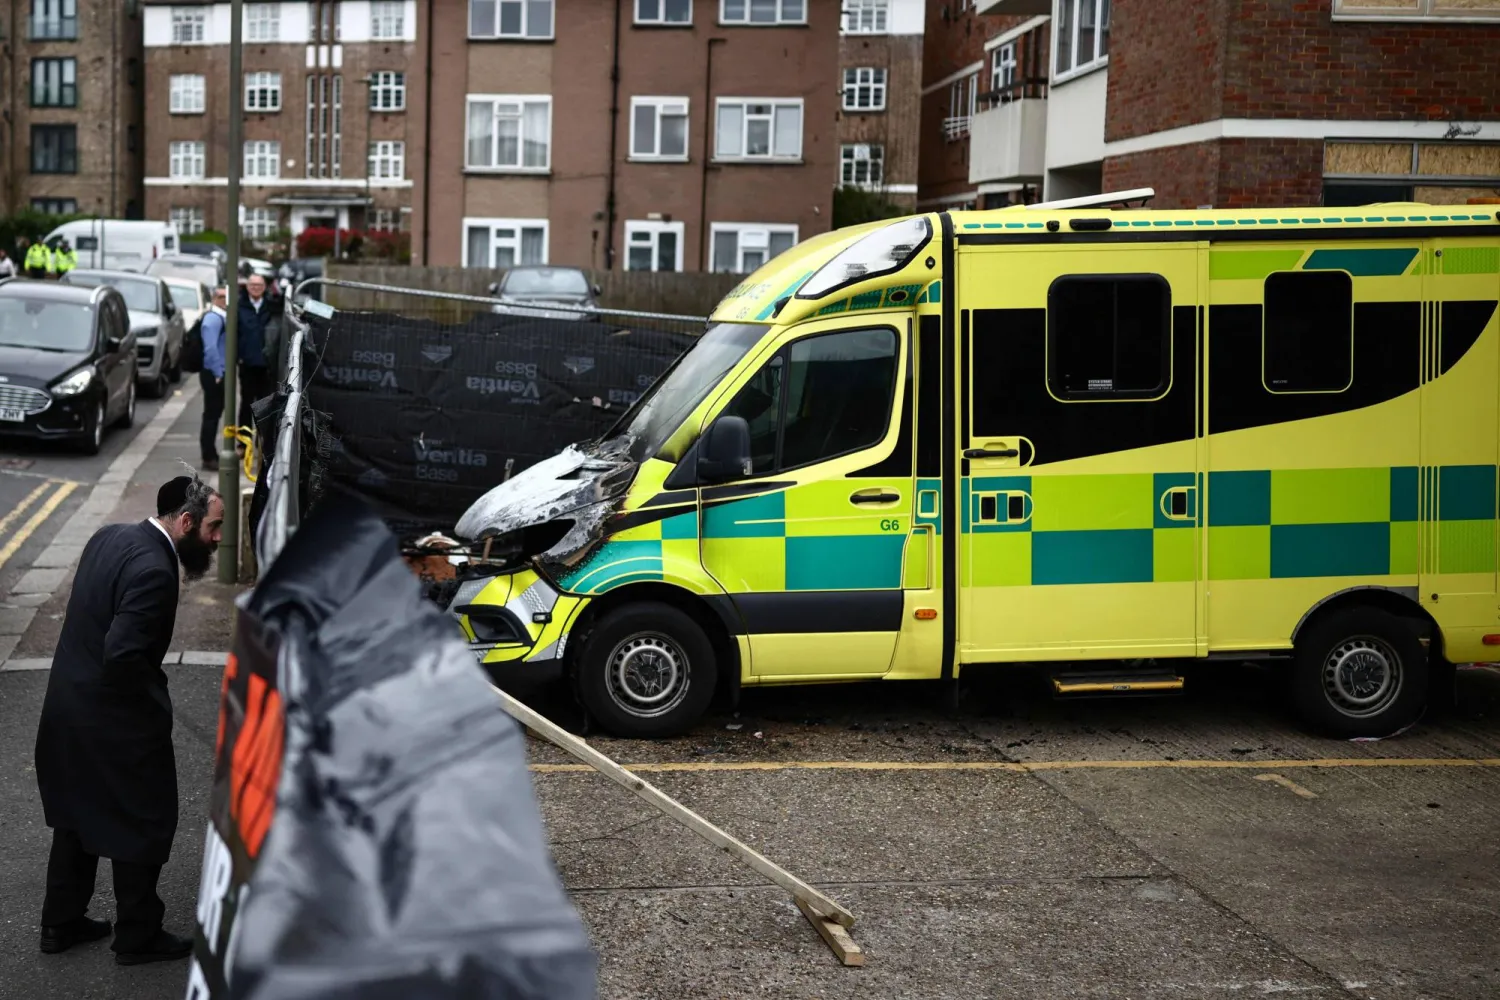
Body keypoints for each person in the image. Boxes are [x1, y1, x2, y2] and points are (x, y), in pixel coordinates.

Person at [34, 476, 225, 966]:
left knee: (76, 817)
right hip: (115, 721)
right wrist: (154, 700)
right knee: (145, 818)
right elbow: (122, 654)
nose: (217, 539)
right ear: (185, 522)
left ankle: (61, 923)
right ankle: (138, 935)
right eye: (213, 527)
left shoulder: (109, 537)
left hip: (65, 709)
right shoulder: (155, 572)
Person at [236, 273, 280, 436]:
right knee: (246, 404)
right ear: (247, 287)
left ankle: (262, 444)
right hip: (247, 364)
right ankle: (243, 441)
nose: (255, 288)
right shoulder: (239, 307)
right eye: (252, 285)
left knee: (265, 406)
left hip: (266, 366)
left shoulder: (271, 306)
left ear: (264, 288)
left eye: (259, 285)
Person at [199, 287, 229, 471]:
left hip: (218, 371)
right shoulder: (212, 319)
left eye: (227, 296)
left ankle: (210, 454)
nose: (224, 299)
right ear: (214, 298)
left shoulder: (222, 317)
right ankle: (208, 456)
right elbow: (210, 349)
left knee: (215, 414)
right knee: (211, 415)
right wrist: (218, 373)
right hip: (213, 373)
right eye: (220, 296)